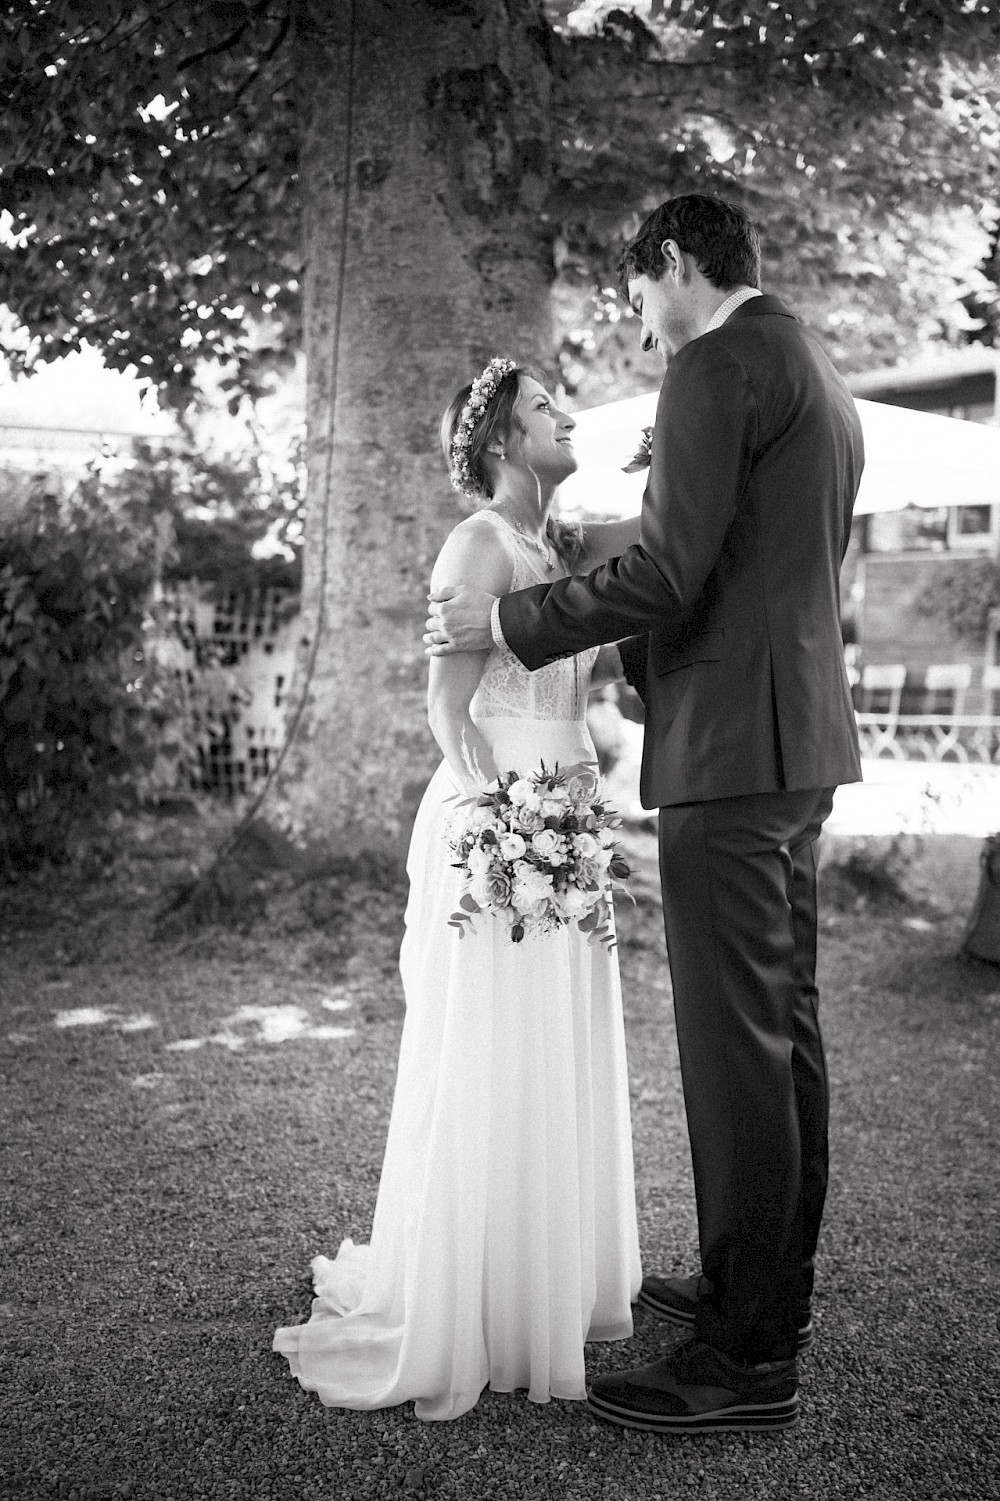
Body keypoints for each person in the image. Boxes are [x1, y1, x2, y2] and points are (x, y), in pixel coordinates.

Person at [425, 193, 865, 1435]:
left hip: (731, 751)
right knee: (782, 1029)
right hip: (792, 740)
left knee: (737, 1051)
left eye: (636, 291)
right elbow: (746, 558)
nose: (638, 320)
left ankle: (742, 1359)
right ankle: (764, 1290)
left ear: (673, 265)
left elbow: (675, 573)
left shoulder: (715, 363)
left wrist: (509, 620)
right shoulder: (806, 364)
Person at [273, 358, 643, 1421]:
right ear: (498, 442)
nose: (566, 417)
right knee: (490, 1045)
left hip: (564, 822)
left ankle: (542, 1283)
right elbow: (446, 708)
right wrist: (510, 817)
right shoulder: (479, 542)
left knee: (555, 1044)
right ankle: (468, 1299)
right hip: (503, 826)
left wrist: (567, 811)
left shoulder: (556, 549)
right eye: (545, 409)